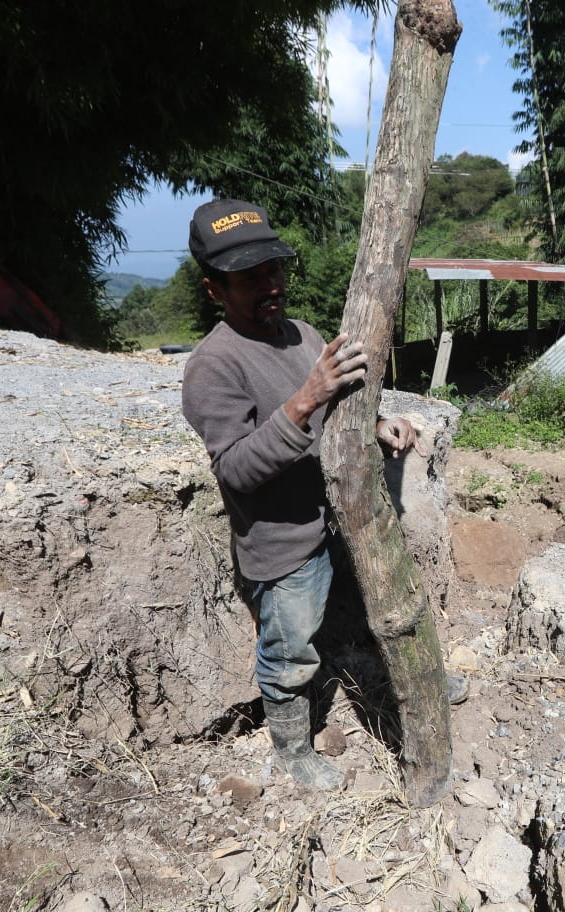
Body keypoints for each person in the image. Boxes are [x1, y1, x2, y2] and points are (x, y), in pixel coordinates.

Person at [180, 199, 425, 790]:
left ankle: (420, 682)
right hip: (283, 542)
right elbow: (236, 468)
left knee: (381, 609)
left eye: (273, 271)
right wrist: (306, 397)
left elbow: (335, 415)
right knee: (289, 652)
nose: (271, 287)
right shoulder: (212, 367)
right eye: (249, 280)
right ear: (215, 290)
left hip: (337, 517)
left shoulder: (303, 335)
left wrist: (376, 426)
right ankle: (291, 751)